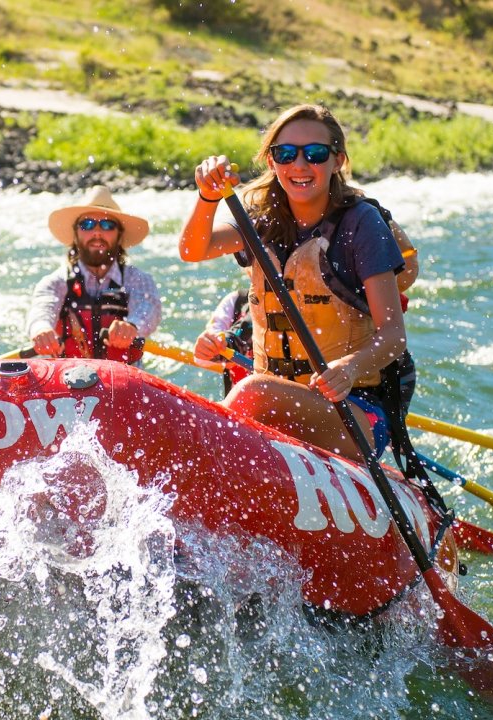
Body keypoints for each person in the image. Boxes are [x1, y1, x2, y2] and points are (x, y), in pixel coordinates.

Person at [180, 104, 414, 464]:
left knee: (255, 392)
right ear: (272, 162)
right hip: (279, 404)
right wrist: (208, 196)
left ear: (337, 161)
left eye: (315, 154)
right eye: (285, 153)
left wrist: (350, 367)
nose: (300, 166)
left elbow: (393, 335)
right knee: (257, 392)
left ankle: (201, 457)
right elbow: (193, 250)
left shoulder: (360, 224)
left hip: (354, 412)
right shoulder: (260, 221)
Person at [193, 205, 420, 398]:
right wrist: (213, 346)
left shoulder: (353, 298)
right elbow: (207, 358)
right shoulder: (237, 304)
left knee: (254, 389)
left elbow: (394, 346)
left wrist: (349, 370)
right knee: (253, 389)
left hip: (347, 402)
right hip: (264, 401)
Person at [26, 186, 162, 363]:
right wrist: (41, 330)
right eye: (87, 224)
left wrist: (133, 326)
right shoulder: (54, 283)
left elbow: (149, 309)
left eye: (107, 225)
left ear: (119, 236)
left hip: (122, 383)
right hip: (66, 381)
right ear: (75, 235)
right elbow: (41, 311)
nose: (97, 232)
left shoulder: (139, 280)